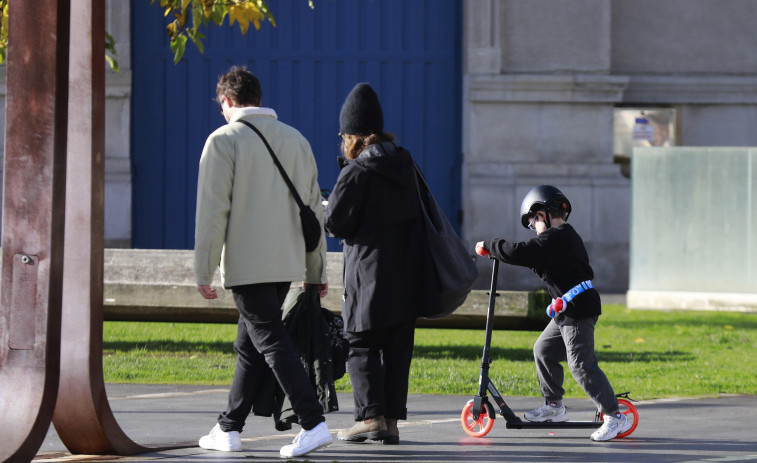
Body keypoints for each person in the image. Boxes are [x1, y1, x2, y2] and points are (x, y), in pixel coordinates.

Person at [193, 66, 332, 457]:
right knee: (250, 344)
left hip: (247, 263)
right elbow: (312, 212)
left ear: (226, 101)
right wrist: (315, 270)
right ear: (257, 96)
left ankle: (313, 422)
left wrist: (203, 270)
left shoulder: (223, 141)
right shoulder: (296, 139)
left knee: (269, 340)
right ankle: (228, 427)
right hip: (286, 262)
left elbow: (212, 212)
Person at [324, 83, 440, 445]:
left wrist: (328, 206)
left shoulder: (357, 173)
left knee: (360, 344)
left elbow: (335, 224)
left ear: (354, 136)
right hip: (408, 276)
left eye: (344, 134)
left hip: (370, 277)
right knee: (396, 348)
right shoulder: (405, 165)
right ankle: (390, 421)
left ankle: (369, 417)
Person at [474, 185, 631, 442]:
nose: (533, 227)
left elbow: (518, 252)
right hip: (567, 309)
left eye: (532, 221)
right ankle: (555, 407)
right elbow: (538, 258)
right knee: (543, 351)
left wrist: (490, 244)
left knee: (581, 364)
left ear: (544, 214)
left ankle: (615, 416)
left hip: (578, 309)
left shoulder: (559, 236)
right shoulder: (558, 241)